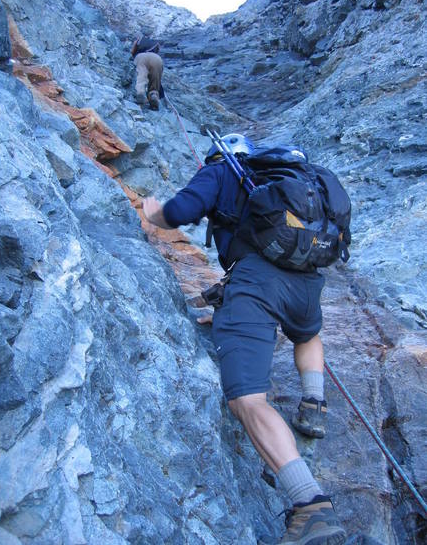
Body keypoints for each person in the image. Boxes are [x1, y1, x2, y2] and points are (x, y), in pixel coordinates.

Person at [143, 134, 347, 544]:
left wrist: (154, 214)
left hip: (256, 285)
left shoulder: (220, 171)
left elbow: (181, 211)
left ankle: (310, 507)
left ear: (218, 157)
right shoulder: (288, 181)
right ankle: (314, 403)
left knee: (247, 399)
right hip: (307, 282)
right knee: (307, 332)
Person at [130, 34, 163, 110]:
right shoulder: (155, 43)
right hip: (156, 58)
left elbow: (132, 51)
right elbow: (158, 49)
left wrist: (132, 55)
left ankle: (140, 92)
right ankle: (153, 94)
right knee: (155, 79)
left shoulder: (139, 39)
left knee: (141, 76)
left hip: (141, 57)